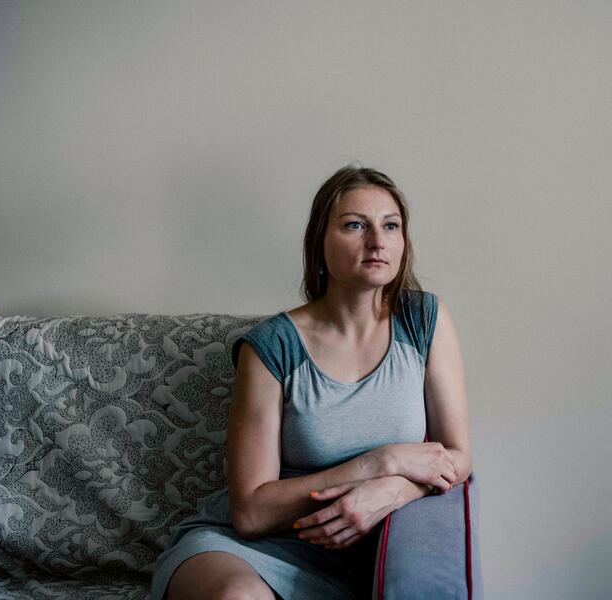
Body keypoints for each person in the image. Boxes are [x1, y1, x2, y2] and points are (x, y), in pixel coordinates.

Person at [150, 164, 472, 600]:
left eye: (390, 226)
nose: (377, 241)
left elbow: (456, 456)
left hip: (359, 557)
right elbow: (250, 513)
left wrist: (395, 488)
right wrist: (377, 464)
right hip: (247, 549)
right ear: (319, 242)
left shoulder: (424, 321)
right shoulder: (272, 346)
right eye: (355, 225)